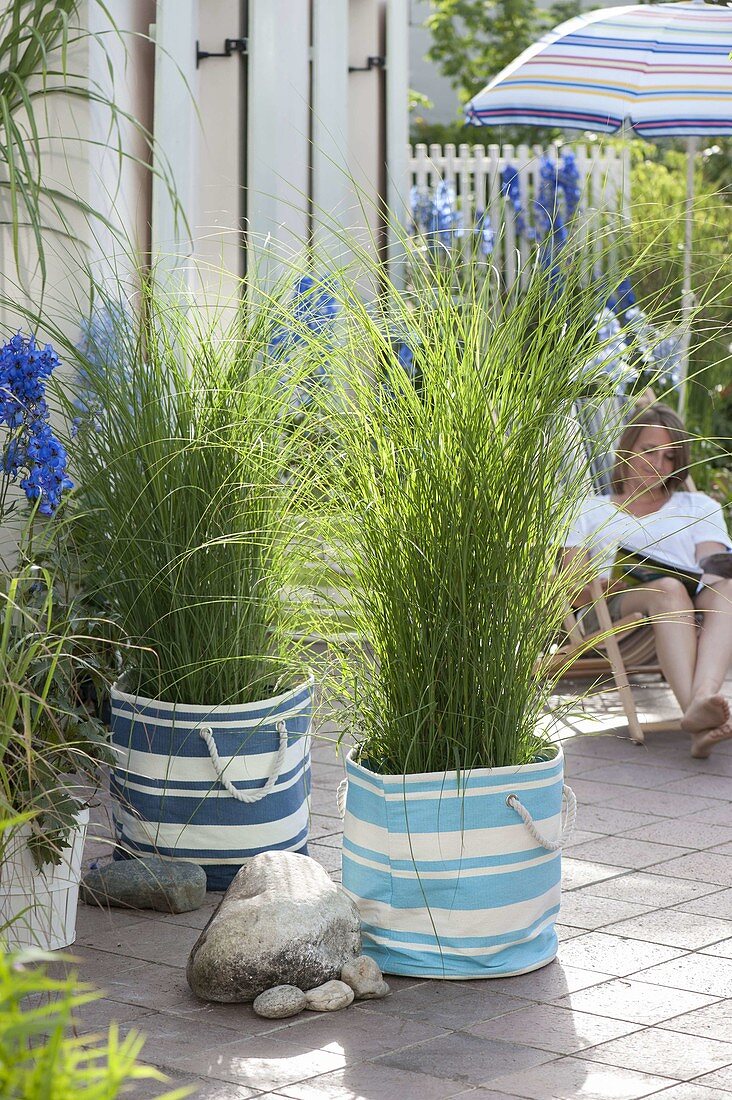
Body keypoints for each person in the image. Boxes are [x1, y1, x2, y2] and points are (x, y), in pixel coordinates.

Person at [564, 403, 732, 758]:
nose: (658, 464)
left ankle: (699, 707)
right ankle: (698, 711)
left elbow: (715, 568)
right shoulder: (588, 509)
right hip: (611, 612)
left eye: (669, 457)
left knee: (725, 588)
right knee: (668, 590)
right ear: (626, 448)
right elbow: (574, 589)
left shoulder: (698, 506)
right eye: (648, 450)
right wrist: (605, 583)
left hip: (690, 607)